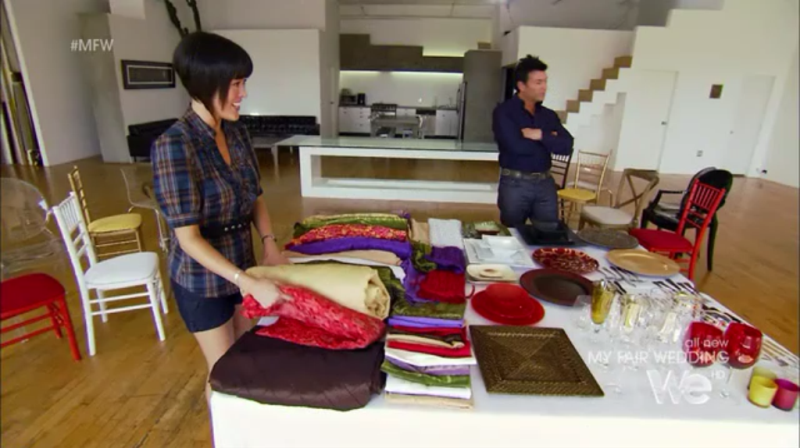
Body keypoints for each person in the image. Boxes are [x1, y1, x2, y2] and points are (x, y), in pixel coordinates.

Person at [152, 31, 289, 398]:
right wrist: (248, 282)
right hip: (201, 280)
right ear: (205, 84)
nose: (243, 93)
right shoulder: (174, 145)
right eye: (235, 84)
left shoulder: (237, 132)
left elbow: (255, 195)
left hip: (242, 263)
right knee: (224, 371)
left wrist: (270, 245)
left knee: (245, 356)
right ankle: (221, 426)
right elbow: (188, 239)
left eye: (243, 83)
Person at [492, 55, 574, 227]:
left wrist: (540, 135)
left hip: (545, 183)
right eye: (538, 82)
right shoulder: (504, 112)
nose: (544, 87)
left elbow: (567, 146)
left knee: (548, 232)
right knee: (513, 234)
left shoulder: (548, 115)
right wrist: (551, 140)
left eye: (545, 81)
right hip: (515, 184)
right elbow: (516, 147)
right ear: (522, 86)